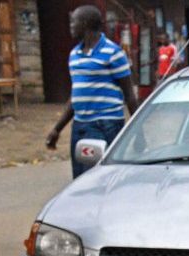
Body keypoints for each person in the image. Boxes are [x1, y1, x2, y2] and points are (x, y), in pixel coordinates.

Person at [45, 5, 138, 179]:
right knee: (80, 181)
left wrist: (137, 131)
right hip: (81, 127)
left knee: (102, 180)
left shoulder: (113, 53)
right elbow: (77, 96)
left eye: (74, 22)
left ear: (86, 23)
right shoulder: (74, 55)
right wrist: (57, 129)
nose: (70, 26)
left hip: (106, 125)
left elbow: (129, 95)